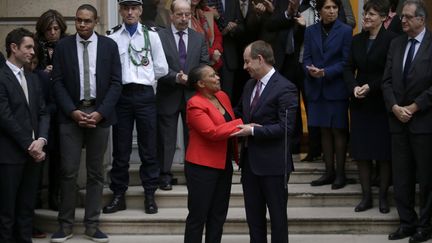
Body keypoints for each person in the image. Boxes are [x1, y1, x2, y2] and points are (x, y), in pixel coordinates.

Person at [50, 4, 122, 243]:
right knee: (68, 172)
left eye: (87, 21)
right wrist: (72, 112)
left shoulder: (110, 46)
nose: (82, 25)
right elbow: (57, 83)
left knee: (95, 173)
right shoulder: (62, 46)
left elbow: (115, 83)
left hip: (99, 115)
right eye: (79, 20)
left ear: (96, 21)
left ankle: (92, 226)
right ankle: (65, 226)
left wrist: (101, 113)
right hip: (71, 115)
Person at [103, 0, 168, 215]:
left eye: (134, 8)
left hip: (144, 95)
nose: (130, 12)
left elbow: (161, 68)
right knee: (121, 149)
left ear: (140, 11)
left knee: (148, 148)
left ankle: (150, 194)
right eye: (125, 8)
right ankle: (118, 194)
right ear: (120, 10)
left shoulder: (152, 35)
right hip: (121, 97)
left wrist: (144, 78)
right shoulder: (112, 37)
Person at [234, 40, 298, 243]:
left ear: (259, 59)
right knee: (254, 220)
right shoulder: (249, 85)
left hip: (274, 166)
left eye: (247, 62)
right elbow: (239, 113)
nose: (244, 67)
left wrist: (252, 131)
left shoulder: (286, 88)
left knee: (278, 220)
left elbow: (286, 127)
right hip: (250, 165)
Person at [382, 0, 432, 242]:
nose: (402, 20)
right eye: (402, 16)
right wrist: (394, 107)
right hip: (398, 121)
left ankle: (425, 226)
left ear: (421, 20)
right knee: (401, 177)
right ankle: (407, 224)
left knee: (427, 177)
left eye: (408, 17)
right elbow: (386, 81)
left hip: (424, 122)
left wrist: (413, 107)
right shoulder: (396, 43)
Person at [343, 0, 396, 214]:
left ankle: (383, 196)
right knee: (362, 152)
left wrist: (370, 87)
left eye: (372, 14)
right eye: (365, 13)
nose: (366, 17)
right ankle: (366, 197)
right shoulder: (356, 40)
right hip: (359, 104)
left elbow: (390, 72)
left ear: (383, 18)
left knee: (383, 154)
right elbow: (347, 68)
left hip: (381, 103)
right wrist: (354, 87)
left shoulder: (393, 40)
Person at [184, 64, 242, 243]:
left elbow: (224, 126)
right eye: (212, 76)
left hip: (224, 163)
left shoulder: (222, 96)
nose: (217, 77)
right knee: (198, 216)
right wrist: (242, 125)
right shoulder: (194, 104)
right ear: (201, 83)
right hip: (201, 167)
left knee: (218, 215)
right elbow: (212, 132)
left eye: (216, 74)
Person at [0, 27, 49, 243]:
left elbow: (43, 112)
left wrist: (41, 140)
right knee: (6, 212)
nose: (32, 51)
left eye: (33, 47)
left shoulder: (33, 78)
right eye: (28, 47)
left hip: (33, 154)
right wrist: (30, 145)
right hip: (10, 156)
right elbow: (5, 117)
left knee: (27, 209)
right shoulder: (1, 77)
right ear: (14, 47)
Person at [157, 0, 208, 191]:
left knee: (193, 138)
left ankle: (192, 174)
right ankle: (164, 175)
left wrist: (192, 79)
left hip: (192, 96)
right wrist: (176, 77)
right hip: (168, 93)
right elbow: (156, 66)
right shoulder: (160, 37)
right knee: (165, 138)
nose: (184, 18)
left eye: (187, 14)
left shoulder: (198, 38)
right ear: (172, 15)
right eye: (180, 14)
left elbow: (205, 64)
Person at [303, 0, 352, 190]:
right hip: (317, 87)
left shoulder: (346, 30)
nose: (331, 11)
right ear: (320, 10)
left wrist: (326, 72)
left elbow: (346, 61)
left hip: (336, 86)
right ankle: (328, 171)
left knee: (338, 130)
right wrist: (310, 70)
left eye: (334, 8)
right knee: (324, 129)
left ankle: (341, 174)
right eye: (327, 8)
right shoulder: (310, 31)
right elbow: (306, 56)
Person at [34, 8, 68, 212]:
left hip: (62, 108)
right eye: (48, 29)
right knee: (39, 155)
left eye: (56, 28)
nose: (52, 32)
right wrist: (42, 72)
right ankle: (37, 196)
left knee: (59, 157)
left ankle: (55, 196)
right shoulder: (35, 46)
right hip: (41, 106)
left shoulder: (67, 45)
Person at [190, 0, 223, 71]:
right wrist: (211, 53)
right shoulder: (182, 16)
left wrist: (215, 50)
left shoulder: (205, 12)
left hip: (212, 62)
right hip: (194, 64)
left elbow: (217, 35)